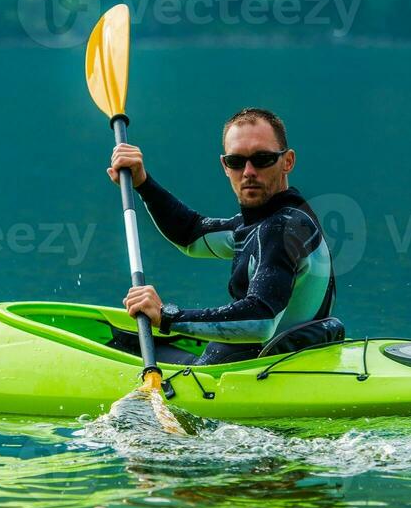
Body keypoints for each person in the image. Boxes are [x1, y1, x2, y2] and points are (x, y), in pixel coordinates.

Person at [107, 107, 337, 364]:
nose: (248, 172)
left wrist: (168, 316)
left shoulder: (281, 229)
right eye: (236, 161)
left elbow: (260, 318)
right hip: (275, 363)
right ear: (225, 166)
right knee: (127, 338)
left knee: (118, 344)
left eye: (261, 159)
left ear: (287, 161)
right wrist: (142, 182)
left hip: (249, 377)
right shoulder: (277, 220)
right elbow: (192, 234)